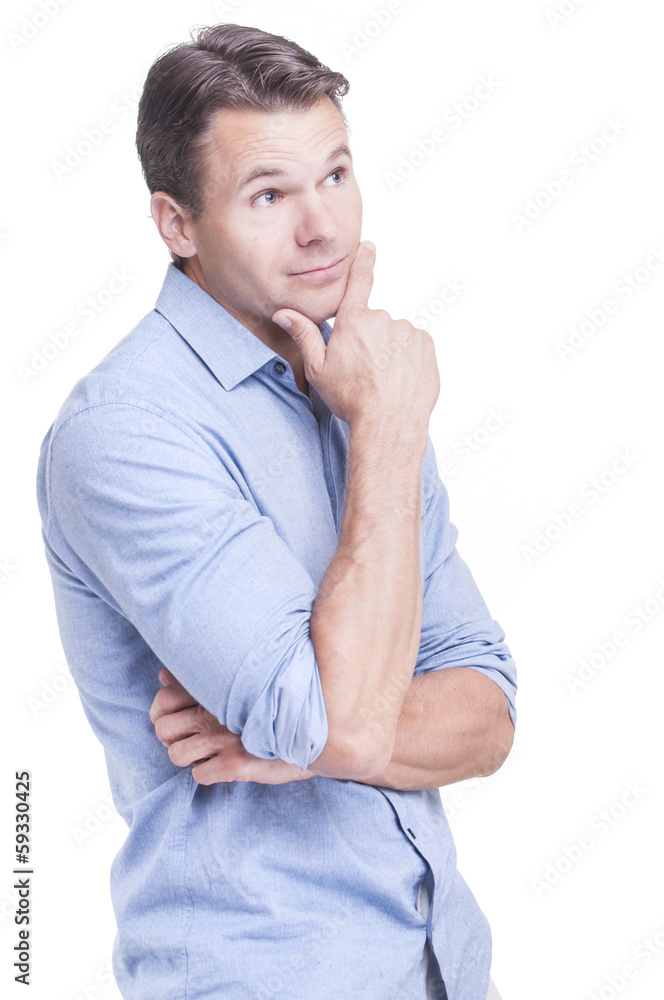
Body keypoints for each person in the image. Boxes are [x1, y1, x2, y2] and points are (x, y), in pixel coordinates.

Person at [35, 22, 516, 1000]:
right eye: (269, 194)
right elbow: (344, 725)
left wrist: (314, 741)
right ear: (176, 224)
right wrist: (390, 430)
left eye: (335, 174)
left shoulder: (360, 387)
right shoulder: (127, 431)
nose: (323, 228)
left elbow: (490, 716)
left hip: (440, 970)